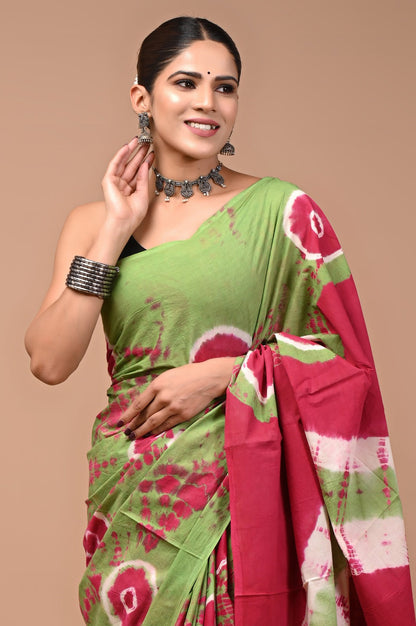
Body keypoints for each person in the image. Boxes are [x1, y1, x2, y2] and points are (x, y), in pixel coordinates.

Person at [25, 16, 415, 626]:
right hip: (135, 493)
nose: (208, 101)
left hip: (247, 489)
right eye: (186, 83)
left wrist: (226, 374)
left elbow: (348, 367)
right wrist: (114, 230)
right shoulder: (92, 223)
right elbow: (50, 361)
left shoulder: (283, 213)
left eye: (225, 87)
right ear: (142, 98)